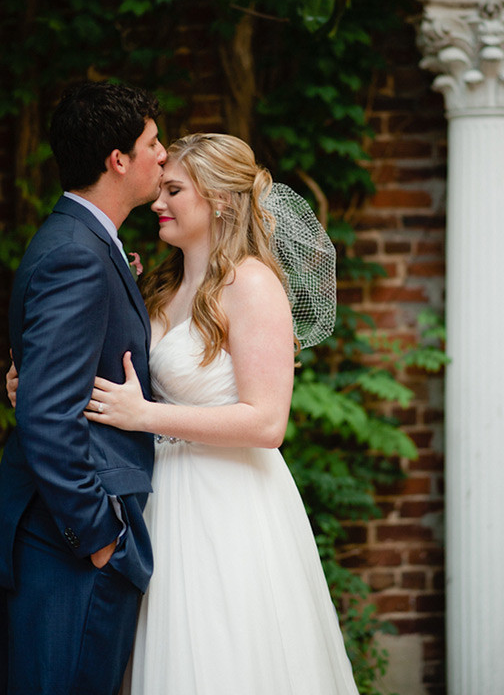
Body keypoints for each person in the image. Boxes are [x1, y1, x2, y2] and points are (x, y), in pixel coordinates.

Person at [80, 133, 359, 695]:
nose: (158, 203)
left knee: (225, 655)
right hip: (160, 498)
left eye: (175, 190)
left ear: (222, 200)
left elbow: (265, 423)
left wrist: (146, 418)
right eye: (161, 189)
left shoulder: (252, 284)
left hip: (227, 503)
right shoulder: (161, 287)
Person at [0, 80, 167, 695]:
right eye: (153, 142)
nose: (164, 155)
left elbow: (44, 377)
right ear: (117, 159)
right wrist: (100, 537)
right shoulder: (78, 254)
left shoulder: (83, 242)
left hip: (60, 537)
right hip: (66, 546)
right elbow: (47, 417)